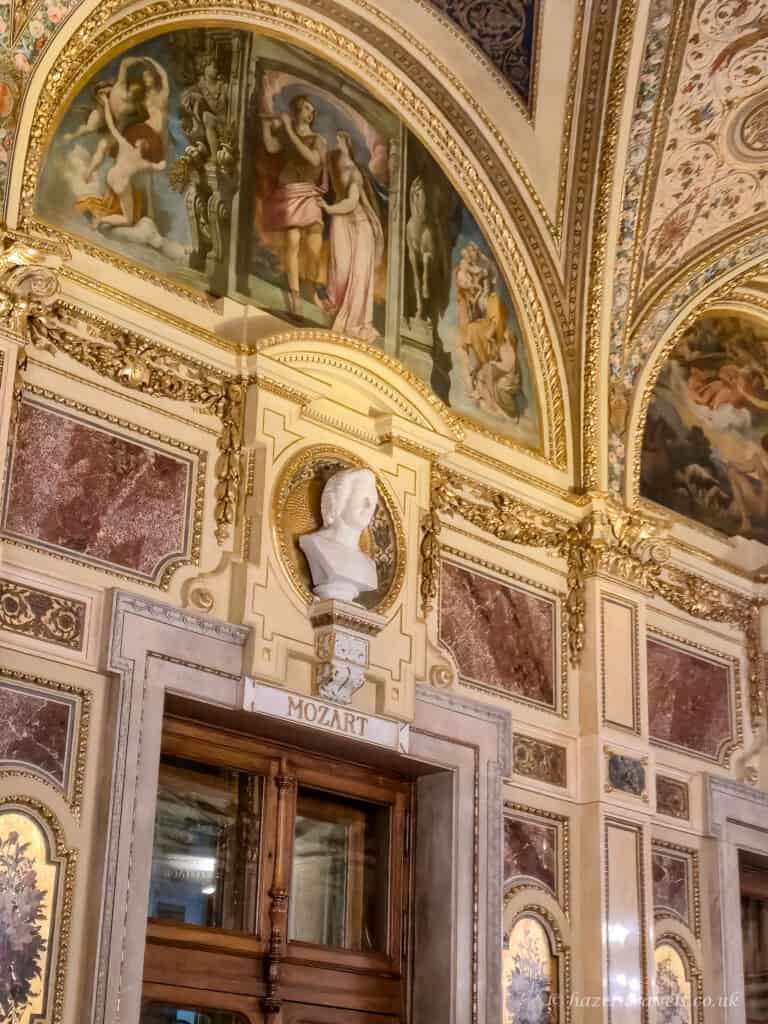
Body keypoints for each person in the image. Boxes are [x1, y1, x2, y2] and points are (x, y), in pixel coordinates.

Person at [261, 95, 328, 316]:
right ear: (297, 110)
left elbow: (314, 160)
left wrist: (288, 130)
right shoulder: (287, 135)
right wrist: (266, 126)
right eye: (307, 108)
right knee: (293, 242)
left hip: (308, 191)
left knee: (314, 246)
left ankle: (312, 289)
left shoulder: (318, 139)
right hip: (289, 187)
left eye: (312, 110)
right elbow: (271, 148)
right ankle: (295, 294)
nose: (310, 113)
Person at [320, 131, 384, 342]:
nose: (336, 141)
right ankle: (337, 303)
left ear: (346, 142)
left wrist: (328, 208)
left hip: (362, 226)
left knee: (359, 275)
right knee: (342, 267)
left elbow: (352, 202)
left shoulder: (353, 171)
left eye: (339, 138)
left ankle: (356, 321)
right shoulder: (338, 166)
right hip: (350, 225)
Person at [84, 93, 166, 230]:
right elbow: (160, 166)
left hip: (111, 176)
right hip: (121, 184)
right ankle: (101, 220)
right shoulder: (142, 162)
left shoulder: (125, 145)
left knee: (112, 200)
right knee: (128, 220)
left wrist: (105, 103)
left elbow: (111, 125)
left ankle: (104, 210)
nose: (142, 139)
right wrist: (162, 161)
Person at [299, 467, 378, 603]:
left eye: (373, 501)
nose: (369, 506)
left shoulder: (369, 565)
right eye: (363, 498)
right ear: (339, 500)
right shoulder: (314, 543)